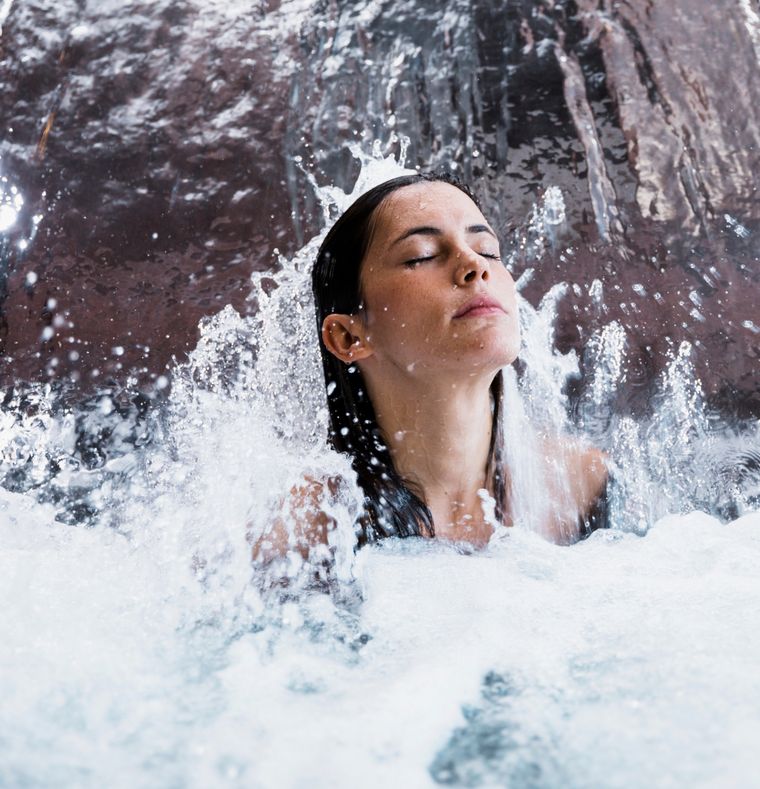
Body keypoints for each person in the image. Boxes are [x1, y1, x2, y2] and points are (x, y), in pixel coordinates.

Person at [252, 172, 608, 563]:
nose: (474, 264)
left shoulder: (581, 485)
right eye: (421, 255)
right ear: (349, 337)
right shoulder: (304, 531)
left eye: (488, 250)